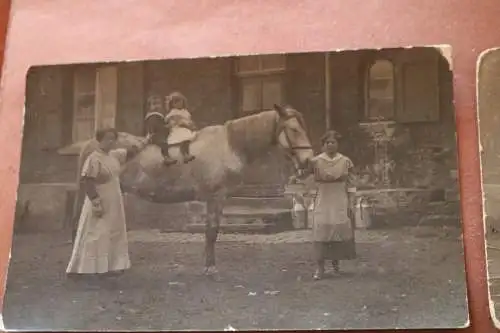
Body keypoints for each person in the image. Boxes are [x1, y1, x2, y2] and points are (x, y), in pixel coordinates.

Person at [66, 128, 148, 285]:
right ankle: (87, 269)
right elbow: (87, 181)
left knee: (112, 231)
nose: (110, 142)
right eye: (106, 139)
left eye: (113, 139)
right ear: (99, 140)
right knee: (96, 232)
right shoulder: (94, 158)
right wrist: (95, 201)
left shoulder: (114, 155)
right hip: (99, 197)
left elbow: (131, 153)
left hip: (113, 198)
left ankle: (108, 267)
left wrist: (146, 141)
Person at [305, 130, 357, 280]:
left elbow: (351, 182)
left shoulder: (345, 161)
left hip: (340, 197)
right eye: (328, 142)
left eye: (333, 142)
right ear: (323, 145)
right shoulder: (315, 162)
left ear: (337, 144)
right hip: (323, 198)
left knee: (337, 229)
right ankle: (319, 269)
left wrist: (351, 199)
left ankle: (336, 266)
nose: (330, 145)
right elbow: (307, 179)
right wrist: (310, 196)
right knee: (321, 230)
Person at [163, 91, 196, 165]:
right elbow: (169, 120)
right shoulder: (174, 112)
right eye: (175, 102)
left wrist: (190, 124)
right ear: (172, 104)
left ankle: (187, 153)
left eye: (179, 101)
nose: (178, 104)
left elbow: (188, 120)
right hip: (178, 128)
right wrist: (174, 121)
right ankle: (184, 154)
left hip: (186, 127)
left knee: (188, 139)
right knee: (183, 138)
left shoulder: (185, 111)